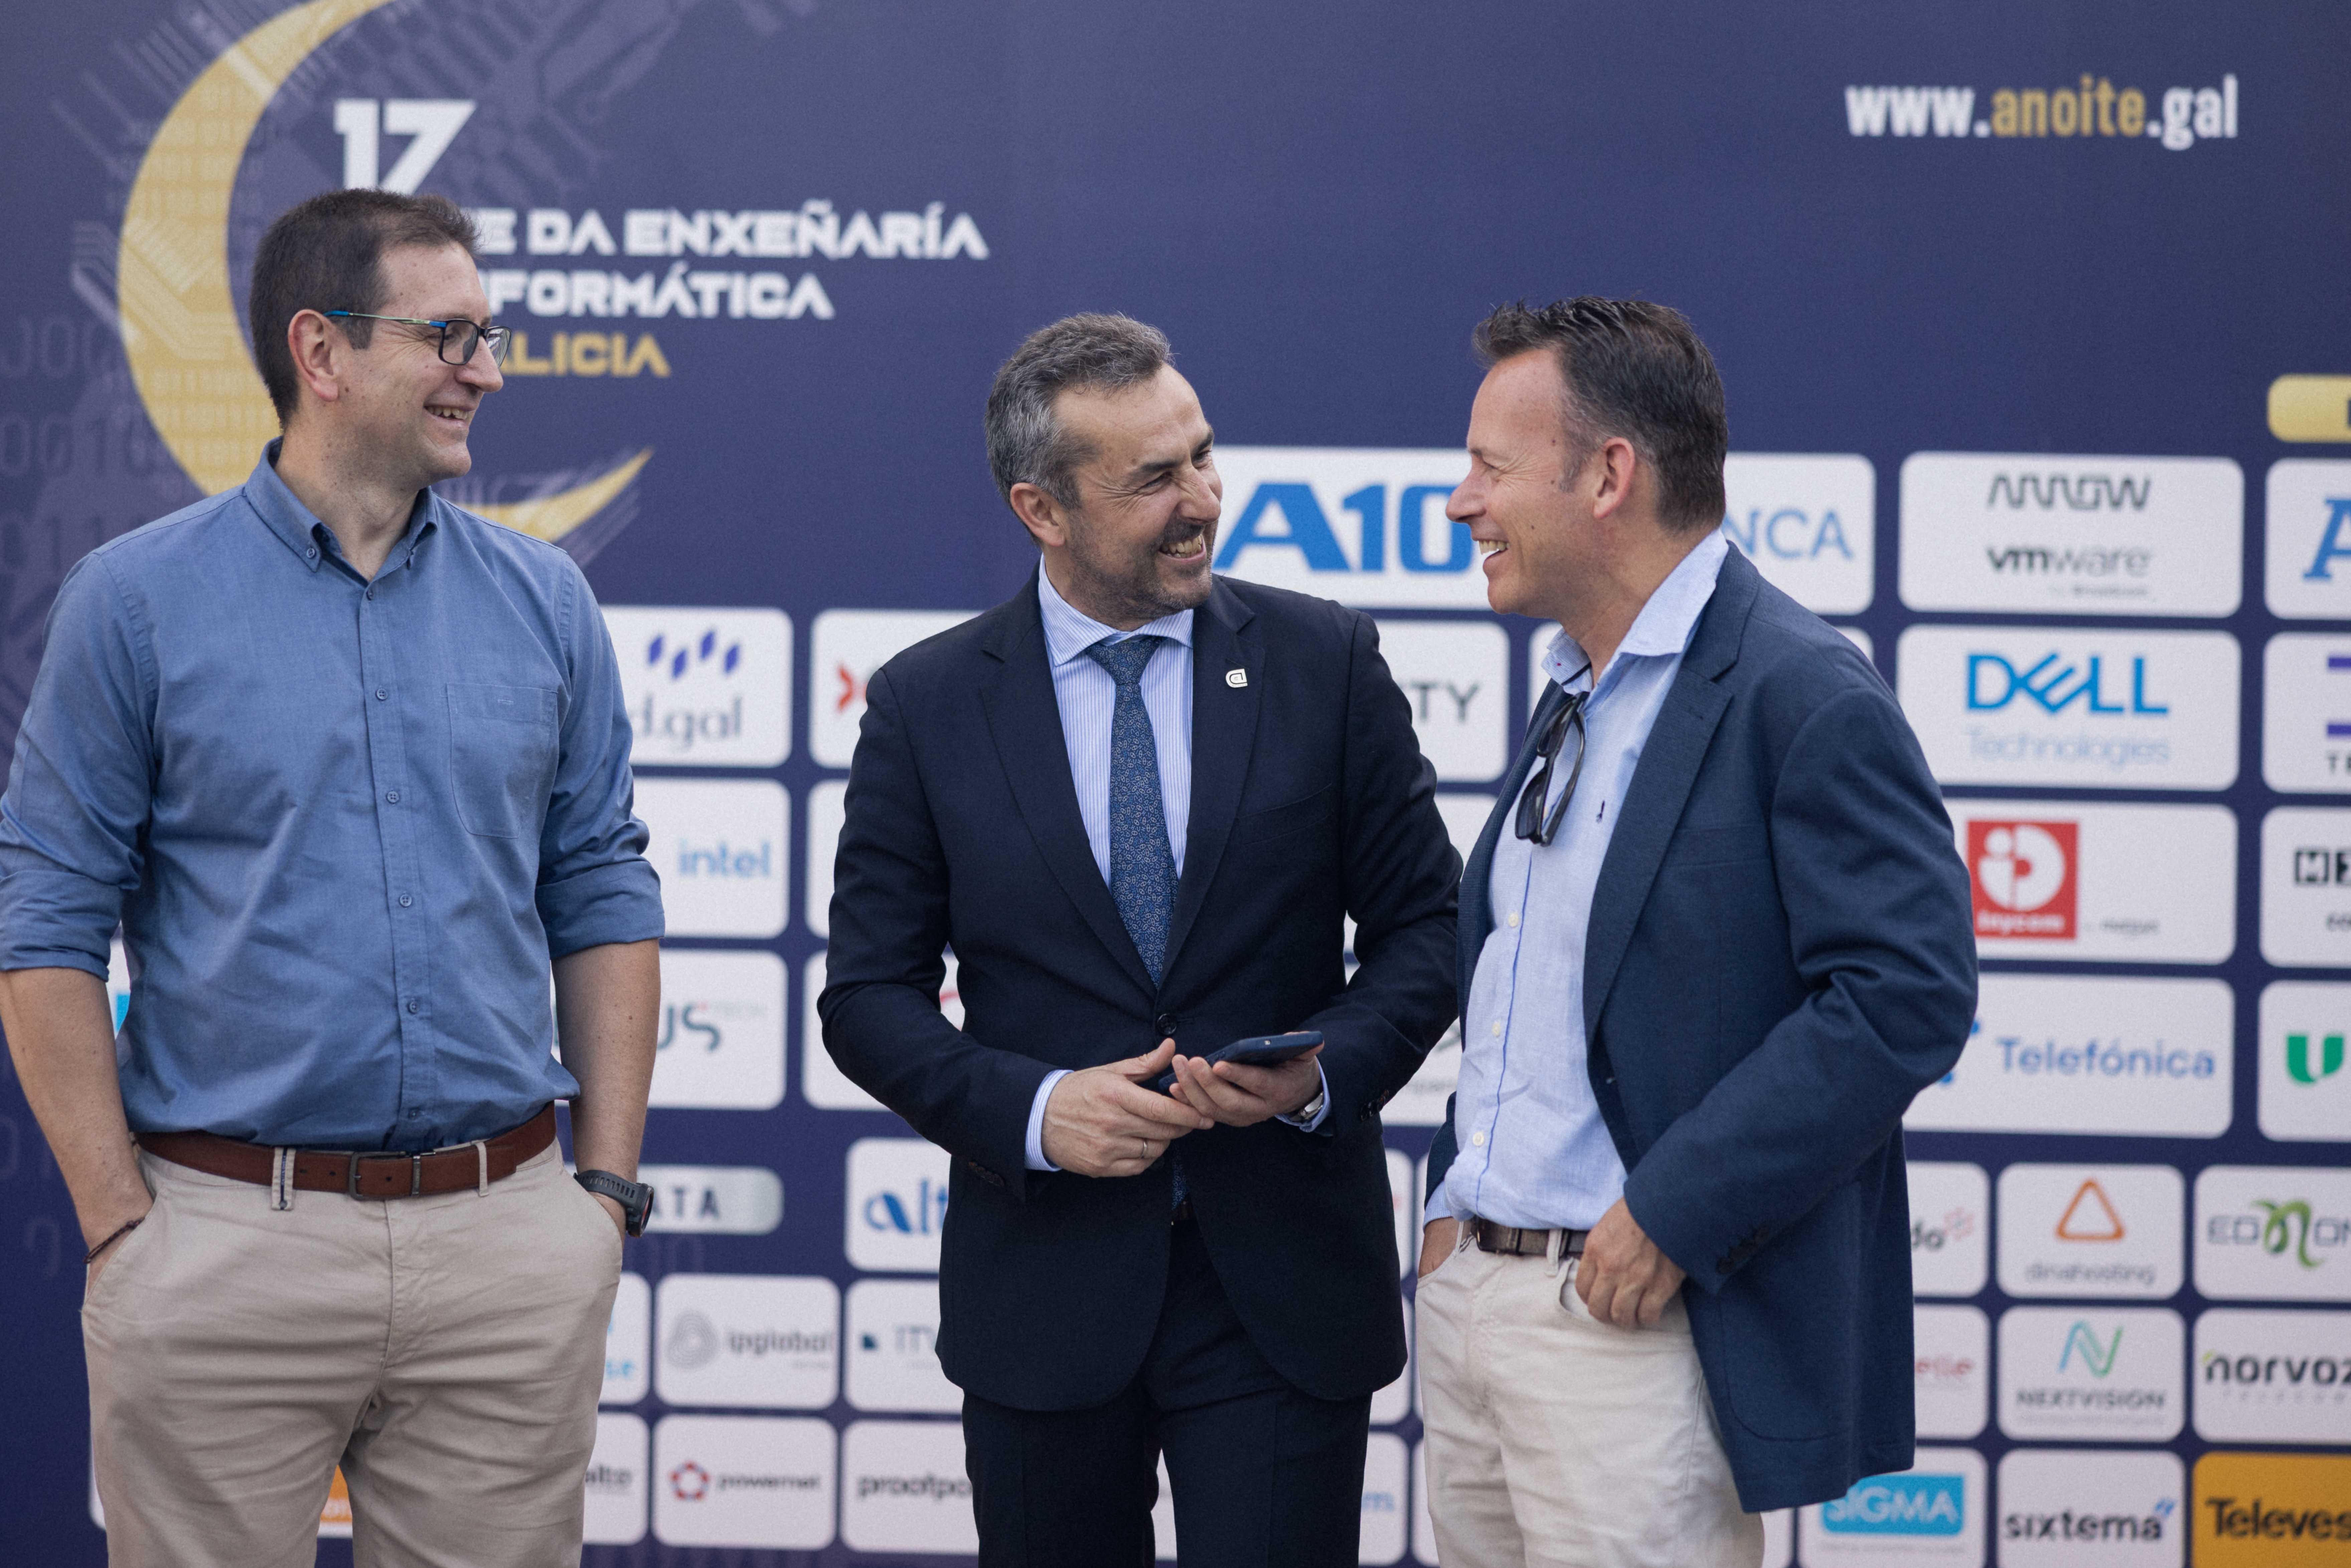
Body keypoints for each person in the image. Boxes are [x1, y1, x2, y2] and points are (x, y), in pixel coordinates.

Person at [0, 189, 663, 1568]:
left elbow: (601, 889)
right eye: (449, 335)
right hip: (224, 1250)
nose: (486, 370)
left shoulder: (546, 601)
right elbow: (45, 924)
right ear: (323, 351)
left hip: (505, 1250)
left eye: (488, 334)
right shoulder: (134, 603)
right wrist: (122, 1224)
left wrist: (600, 1193)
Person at [821, 313, 1459, 1567]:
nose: (1202, 501)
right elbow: (867, 998)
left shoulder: (1326, 663)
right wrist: (1034, 1110)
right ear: (1042, 509)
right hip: (1043, 1291)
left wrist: (1321, 1074)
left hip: (1280, 1290)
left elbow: (1429, 928)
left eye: (1204, 456)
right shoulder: (927, 704)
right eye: (1155, 479)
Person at [1415, 298, 1977, 1568]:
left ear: (1609, 475)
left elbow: (1905, 997)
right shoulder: (1578, 688)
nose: (1462, 503)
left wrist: (1672, 1212)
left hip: (1631, 1334)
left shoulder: (1801, 690)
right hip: (1477, 1311)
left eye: (1491, 467)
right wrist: (1459, 1214)